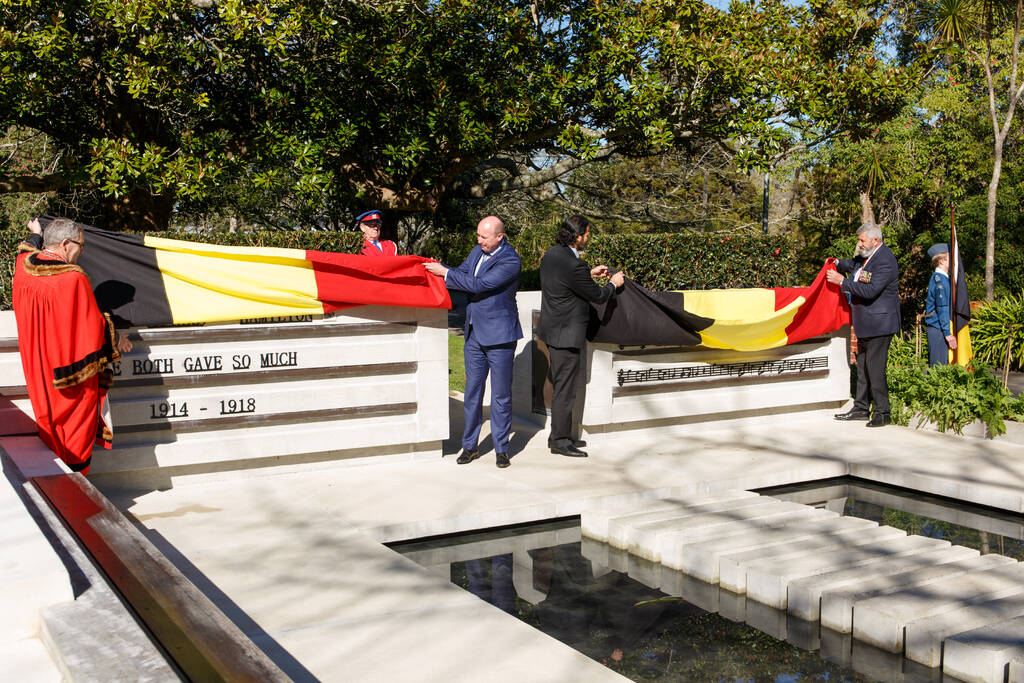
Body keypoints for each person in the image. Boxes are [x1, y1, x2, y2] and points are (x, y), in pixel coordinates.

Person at [13, 217, 132, 473]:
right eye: (81, 245)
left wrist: (36, 233)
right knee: (72, 432)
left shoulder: (23, 268)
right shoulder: (73, 279)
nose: (82, 251)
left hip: (38, 368)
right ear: (66, 244)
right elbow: (89, 326)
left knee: (48, 423)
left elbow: (26, 251)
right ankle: (73, 486)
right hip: (66, 375)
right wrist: (116, 336)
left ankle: (55, 479)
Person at [424, 216, 522, 468]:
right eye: (478, 235)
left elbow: (480, 285)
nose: (479, 241)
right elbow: (461, 274)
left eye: (484, 237)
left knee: (500, 396)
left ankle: (501, 449)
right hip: (474, 334)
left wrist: (445, 273)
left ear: (499, 236)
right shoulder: (477, 252)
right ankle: (470, 446)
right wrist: (438, 268)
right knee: (472, 394)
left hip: (500, 336)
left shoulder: (510, 260)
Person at [536, 215, 625, 457]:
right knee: (566, 389)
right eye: (586, 234)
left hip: (551, 330)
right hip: (566, 334)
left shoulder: (553, 254)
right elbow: (597, 295)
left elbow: (566, 281)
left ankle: (558, 435)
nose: (588, 237)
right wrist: (613, 284)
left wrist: (589, 273)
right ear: (577, 236)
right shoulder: (574, 265)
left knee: (561, 386)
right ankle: (561, 442)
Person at [826, 222, 900, 427]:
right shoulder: (867, 257)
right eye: (859, 240)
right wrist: (837, 262)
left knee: (875, 369)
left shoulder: (885, 260)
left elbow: (870, 291)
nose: (859, 244)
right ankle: (860, 408)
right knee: (863, 368)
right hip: (867, 323)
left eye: (862, 240)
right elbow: (853, 265)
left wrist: (842, 281)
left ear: (875, 241)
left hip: (880, 324)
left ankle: (883, 412)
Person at [922, 243, 958, 366]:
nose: (953, 261)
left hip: (939, 328)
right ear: (942, 261)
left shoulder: (942, 278)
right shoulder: (940, 281)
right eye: (950, 257)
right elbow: (942, 308)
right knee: (939, 368)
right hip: (938, 329)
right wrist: (947, 333)